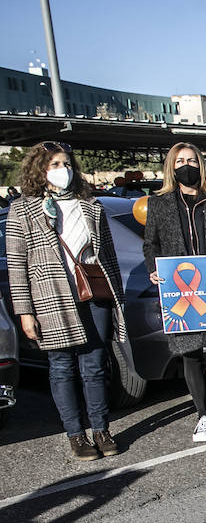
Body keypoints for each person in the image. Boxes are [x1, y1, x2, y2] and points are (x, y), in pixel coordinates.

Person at [5, 142, 126, 460]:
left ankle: (101, 429)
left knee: (96, 365)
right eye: (55, 164)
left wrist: (117, 297)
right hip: (50, 296)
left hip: (92, 293)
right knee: (61, 367)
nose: (63, 170)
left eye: (66, 163)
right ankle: (76, 434)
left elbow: (108, 255)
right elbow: (17, 264)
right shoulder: (23, 208)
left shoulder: (89, 204)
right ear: (40, 170)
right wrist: (24, 312)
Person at [143, 142, 206, 442]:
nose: (185, 166)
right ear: (171, 167)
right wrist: (153, 267)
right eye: (179, 161)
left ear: (200, 164)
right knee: (189, 354)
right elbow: (151, 244)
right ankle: (202, 416)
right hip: (180, 289)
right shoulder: (159, 203)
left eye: (190, 160)